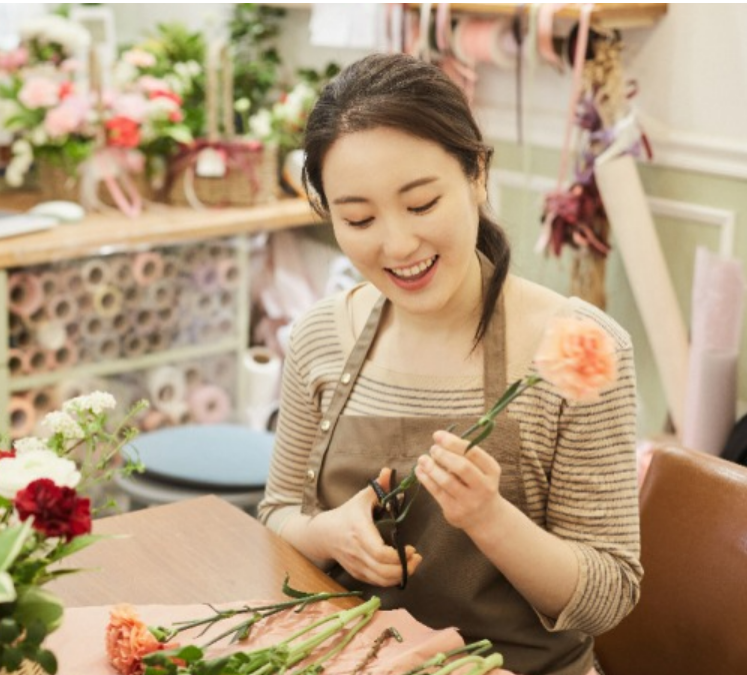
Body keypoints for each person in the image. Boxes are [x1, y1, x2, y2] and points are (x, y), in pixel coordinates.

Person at [257, 53, 642, 675]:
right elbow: (277, 516)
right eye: (358, 218)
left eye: (420, 204)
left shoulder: (576, 348)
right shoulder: (321, 336)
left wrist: (490, 520)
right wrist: (331, 535)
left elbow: (610, 596)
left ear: (477, 175)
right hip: (352, 661)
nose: (397, 244)